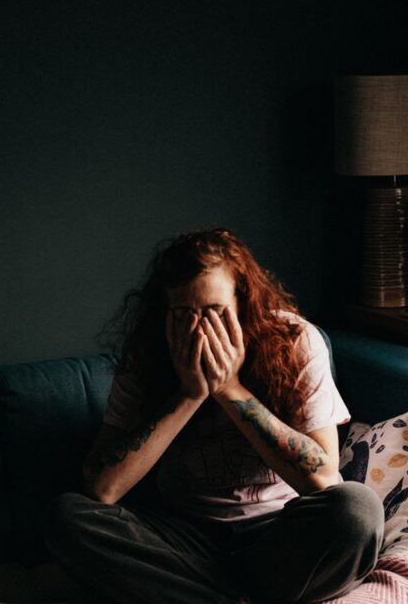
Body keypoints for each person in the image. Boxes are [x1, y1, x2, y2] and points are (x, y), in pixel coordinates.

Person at [44, 228, 384, 604]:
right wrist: (190, 394)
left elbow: (322, 479)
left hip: (279, 533)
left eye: (215, 312)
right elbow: (102, 489)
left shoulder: (295, 341)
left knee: (358, 510)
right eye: (183, 315)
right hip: (183, 537)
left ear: (243, 303)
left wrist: (230, 390)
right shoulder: (146, 355)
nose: (200, 332)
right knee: (67, 517)